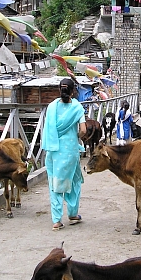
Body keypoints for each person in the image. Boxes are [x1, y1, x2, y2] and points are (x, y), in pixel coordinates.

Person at [41, 78, 87, 231]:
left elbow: (48, 128)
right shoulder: (77, 107)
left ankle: (56, 220)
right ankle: (73, 214)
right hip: (70, 151)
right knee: (73, 181)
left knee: (55, 183)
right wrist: (77, 137)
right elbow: (83, 131)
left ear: (59, 89)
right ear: (73, 90)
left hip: (53, 152)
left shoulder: (52, 107)